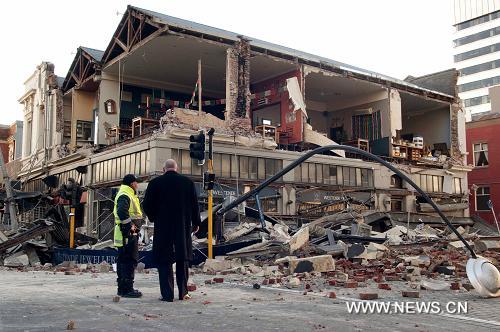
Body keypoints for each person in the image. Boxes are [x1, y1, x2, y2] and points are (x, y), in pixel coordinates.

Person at [143, 159, 201, 302]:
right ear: (177, 168)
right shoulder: (187, 183)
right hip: (182, 227)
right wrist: (196, 222)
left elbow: (147, 205)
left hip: (163, 228)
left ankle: (167, 295)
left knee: (164, 261)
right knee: (182, 260)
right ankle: (183, 293)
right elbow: (195, 205)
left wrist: (154, 217)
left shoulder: (155, 183)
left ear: (164, 169)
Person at [113, 174, 143, 298]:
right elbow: (121, 212)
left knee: (123, 260)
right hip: (127, 233)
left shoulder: (126, 193)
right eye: (136, 182)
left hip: (126, 233)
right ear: (132, 183)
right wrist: (129, 226)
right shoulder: (126, 194)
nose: (138, 185)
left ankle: (122, 288)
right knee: (129, 261)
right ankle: (127, 289)